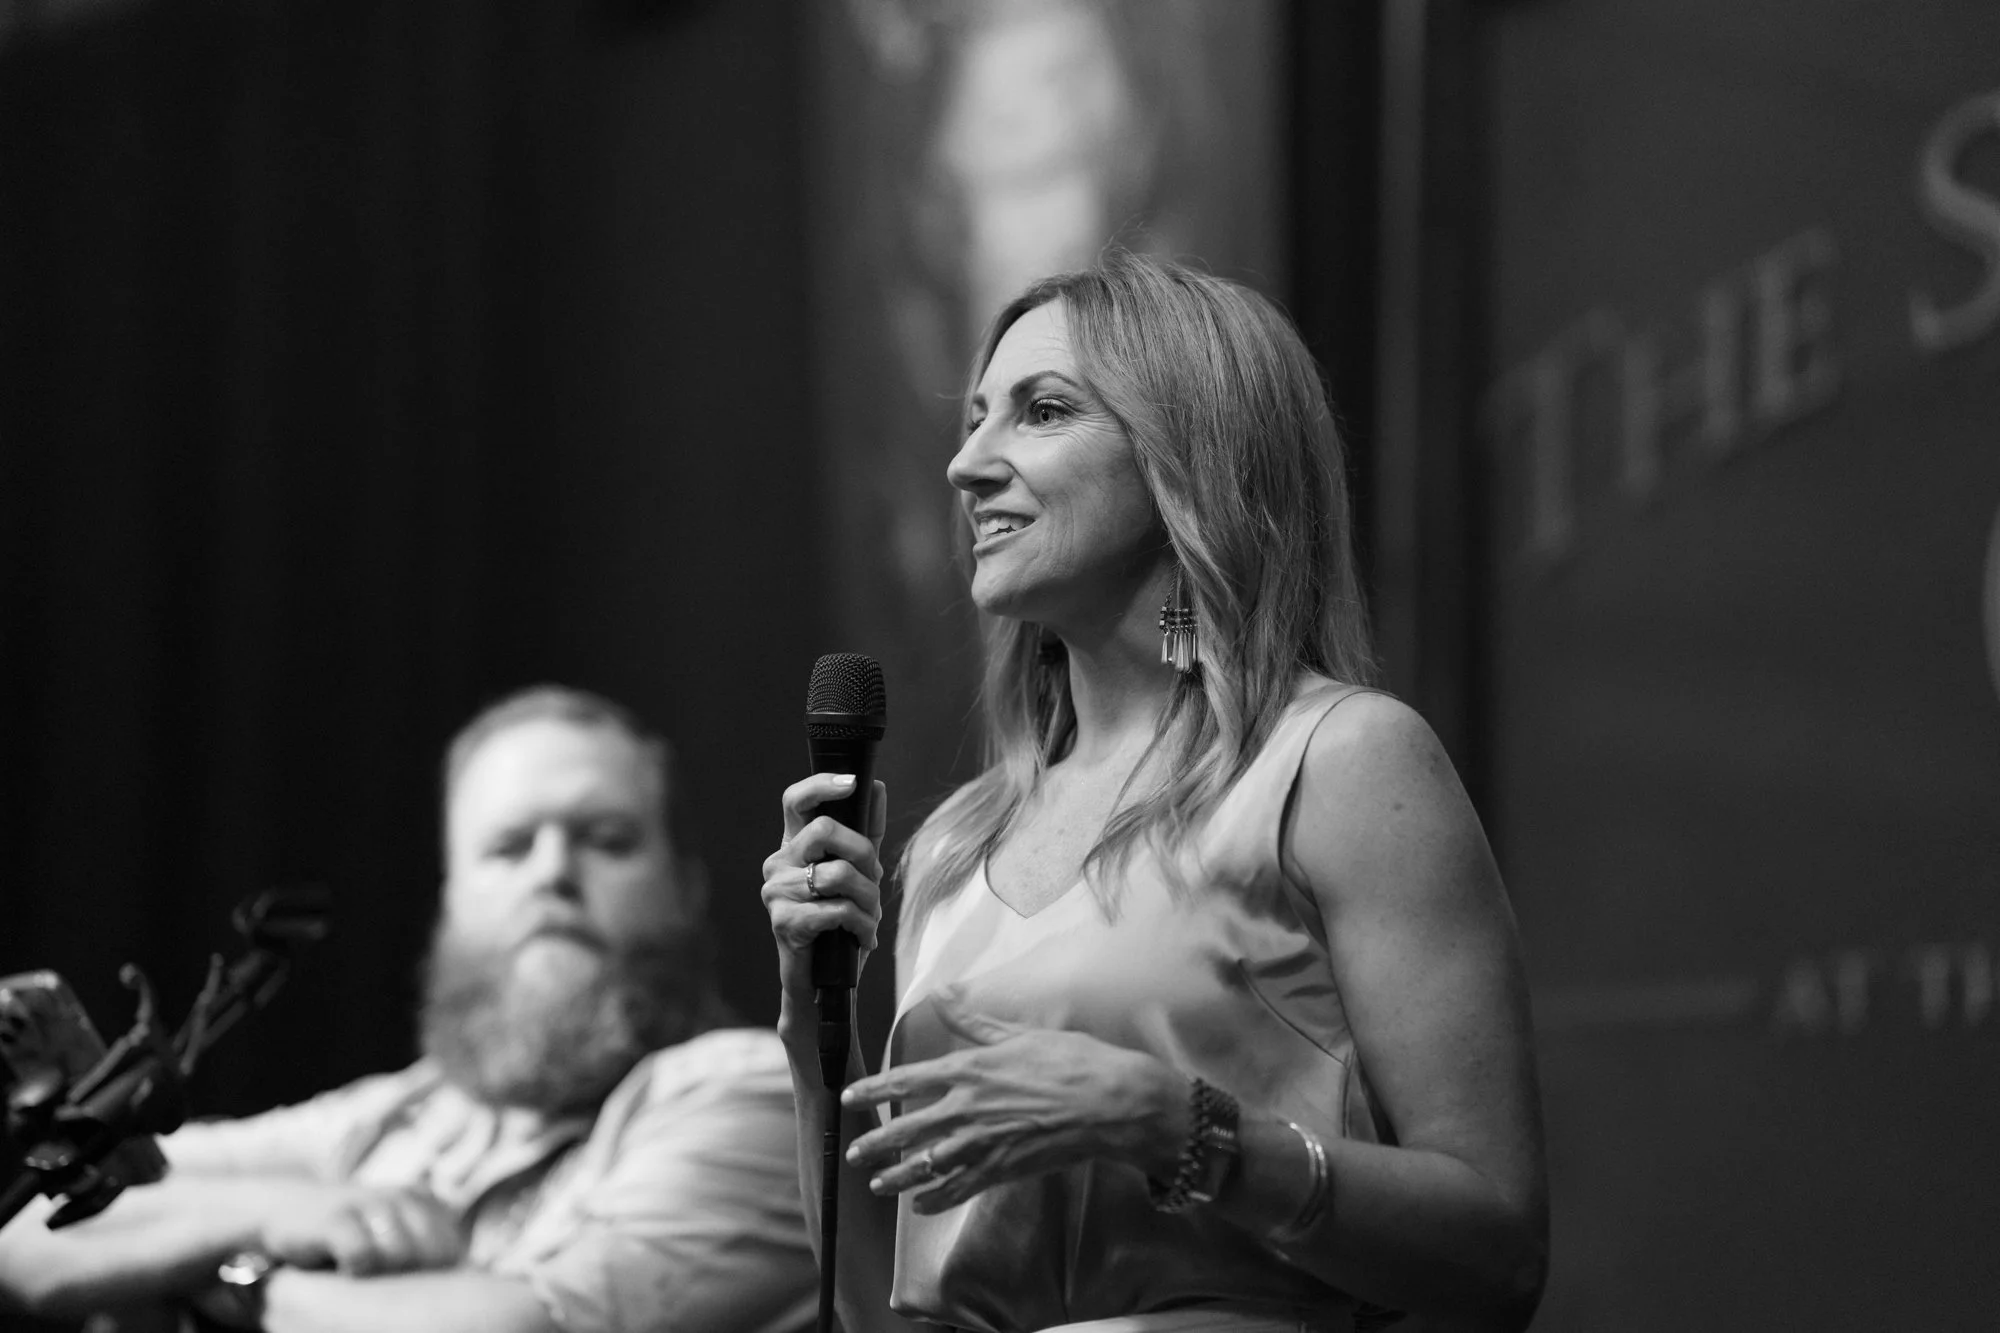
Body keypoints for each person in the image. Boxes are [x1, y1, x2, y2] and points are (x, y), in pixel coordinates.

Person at [762, 252, 1547, 1333]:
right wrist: (815, 1024)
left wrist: (1164, 1119)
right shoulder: (950, 846)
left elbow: (1496, 1255)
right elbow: (872, 1306)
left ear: (1191, 458)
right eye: (974, 416)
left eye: (1039, 413)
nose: (964, 464)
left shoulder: (1339, 762)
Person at [1, 685, 818, 1333]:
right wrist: (280, 1212)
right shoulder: (404, 1112)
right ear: (451, 901)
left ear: (687, 885)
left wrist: (234, 1276)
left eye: (606, 839)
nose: (552, 873)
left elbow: (515, 1328)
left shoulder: (756, 1091)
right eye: (507, 846)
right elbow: (35, 1226)